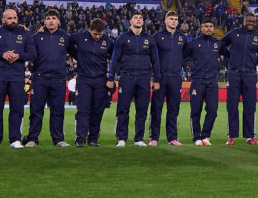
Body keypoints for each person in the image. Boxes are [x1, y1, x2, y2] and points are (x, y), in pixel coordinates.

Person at [110, 12, 162, 147]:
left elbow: (156, 61)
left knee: (142, 109)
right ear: (130, 21)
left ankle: (138, 139)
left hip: (144, 78)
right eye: (136, 18)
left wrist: (157, 79)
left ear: (143, 22)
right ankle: (121, 138)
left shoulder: (150, 39)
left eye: (141, 18)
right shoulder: (122, 38)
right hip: (126, 77)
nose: (138, 20)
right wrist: (110, 77)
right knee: (123, 109)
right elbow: (115, 59)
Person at [0, 8, 30, 149]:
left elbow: (33, 54)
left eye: (15, 18)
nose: (13, 21)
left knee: (17, 109)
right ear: (3, 20)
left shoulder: (24, 33)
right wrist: (0, 55)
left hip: (17, 77)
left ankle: (15, 139)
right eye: (9, 18)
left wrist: (18, 56)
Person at [25, 9, 72, 147]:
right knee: (36, 110)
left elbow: (75, 52)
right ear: (44, 21)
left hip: (59, 78)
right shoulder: (36, 37)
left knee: (58, 110)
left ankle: (58, 139)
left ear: (58, 21)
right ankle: (32, 138)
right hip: (40, 77)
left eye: (53, 18)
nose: (51, 21)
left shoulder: (65, 37)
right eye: (48, 18)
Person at [220, 13, 258, 145]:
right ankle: (232, 136)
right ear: (244, 21)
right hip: (234, 73)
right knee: (232, 105)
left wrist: (255, 62)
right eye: (248, 20)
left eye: (253, 21)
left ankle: (250, 136)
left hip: (250, 74)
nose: (251, 23)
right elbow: (221, 45)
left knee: (250, 106)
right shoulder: (234, 33)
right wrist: (230, 56)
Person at [68, 18, 114, 147]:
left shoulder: (108, 41)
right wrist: (77, 55)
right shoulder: (80, 36)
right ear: (90, 30)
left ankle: (93, 138)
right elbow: (67, 42)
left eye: (100, 34)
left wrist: (111, 77)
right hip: (84, 79)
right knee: (83, 109)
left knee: (97, 110)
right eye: (95, 34)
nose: (98, 37)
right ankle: (80, 138)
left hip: (100, 80)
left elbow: (115, 57)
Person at [184, 20, 223, 146]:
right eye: (206, 26)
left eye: (211, 26)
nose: (208, 29)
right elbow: (182, 57)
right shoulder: (193, 43)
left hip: (212, 81)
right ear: (201, 28)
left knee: (213, 110)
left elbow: (230, 55)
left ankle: (206, 135)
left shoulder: (217, 43)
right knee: (196, 111)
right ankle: (196, 137)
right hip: (197, 81)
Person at [151, 11, 187, 146]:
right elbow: (152, 58)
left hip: (175, 78)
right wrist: (155, 78)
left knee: (173, 109)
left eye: (176, 19)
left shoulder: (182, 38)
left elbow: (185, 55)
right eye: (171, 19)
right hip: (160, 78)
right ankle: (154, 137)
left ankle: (172, 137)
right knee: (156, 109)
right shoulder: (157, 37)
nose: (174, 21)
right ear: (165, 21)